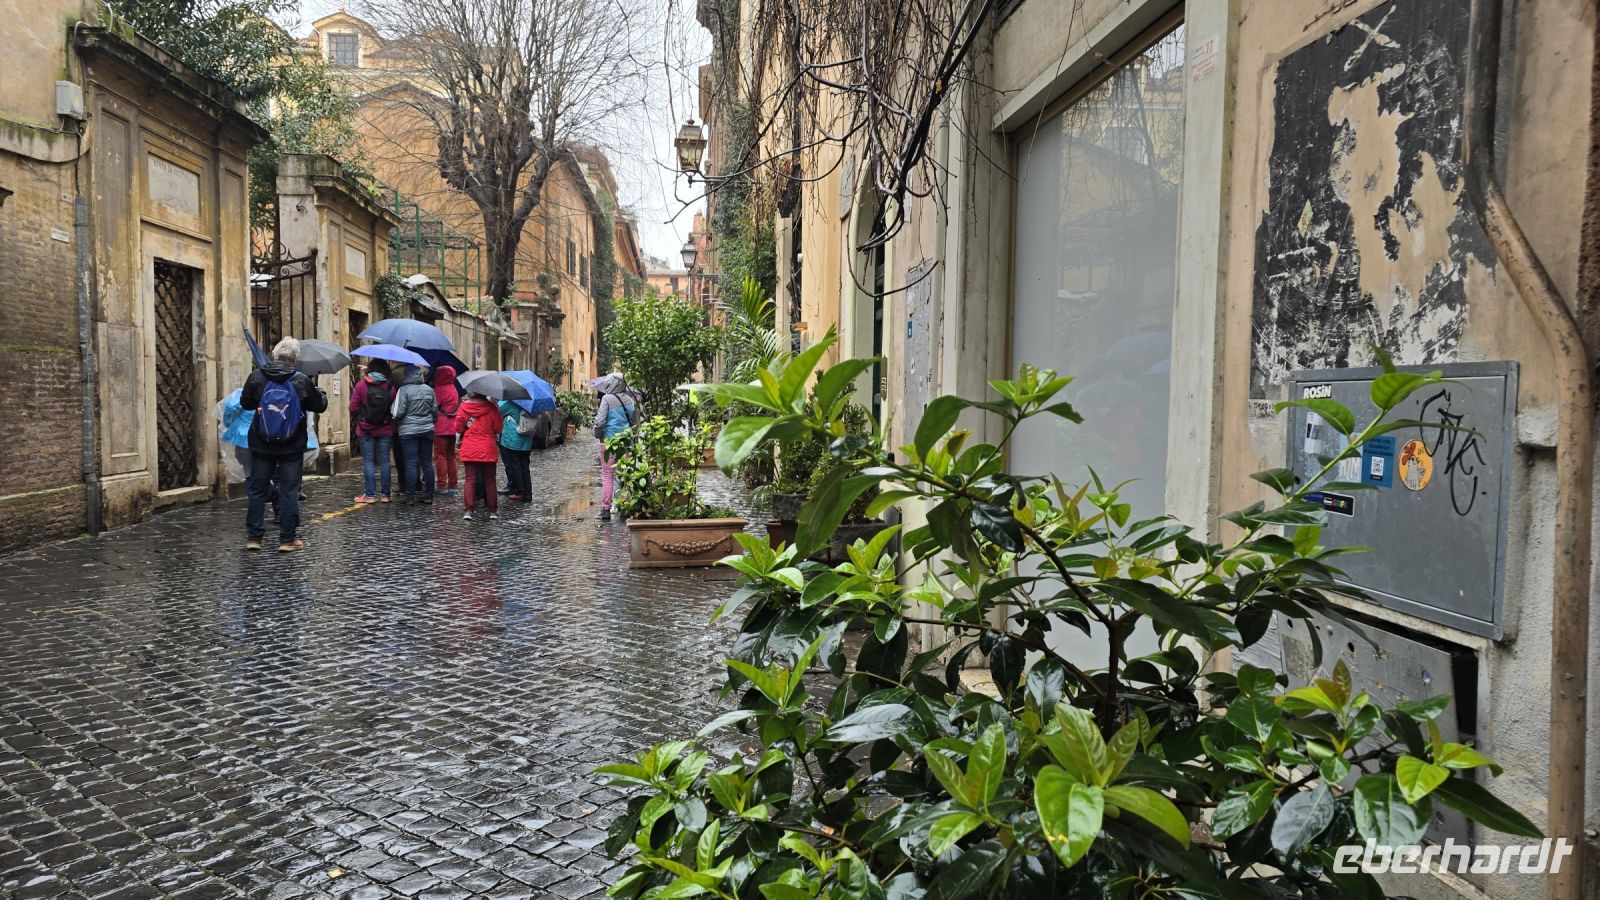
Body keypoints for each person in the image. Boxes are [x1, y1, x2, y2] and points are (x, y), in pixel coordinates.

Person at [240, 337, 327, 552]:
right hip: (292, 445)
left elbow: (245, 403)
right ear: (294, 358)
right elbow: (319, 406)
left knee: (257, 490)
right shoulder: (300, 380)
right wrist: (320, 394)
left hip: (262, 442)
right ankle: (287, 539)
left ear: (274, 355)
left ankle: (254, 538)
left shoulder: (257, 376)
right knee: (288, 491)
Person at [592, 374, 641, 521]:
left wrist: (598, 434)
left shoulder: (606, 399)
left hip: (608, 442)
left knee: (608, 476)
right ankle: (625, 507)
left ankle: (606, 510)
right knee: (624, 475)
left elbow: (600, 422)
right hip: (626, 443)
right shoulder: (630, 400)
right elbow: (635, 424)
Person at [349, 360, 395, 503]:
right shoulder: (390, 387)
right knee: (385, 461)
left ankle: (369, 495)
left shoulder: (361, 386)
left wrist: (360, 417)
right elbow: (393, 408)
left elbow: (353, 408)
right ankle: (386, 495)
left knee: (368, 461)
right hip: (385, 428)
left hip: (365, 429)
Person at [391, 365, 438, 504]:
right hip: (427, 430)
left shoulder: (403, 390)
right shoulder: (429, 390)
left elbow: (397, 412)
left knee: (411, 462)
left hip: (408, 431)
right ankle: (429, 494)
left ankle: (410, 495)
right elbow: (435, 412)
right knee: (427, 462)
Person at [456, 392, 504, 521]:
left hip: (470, 446)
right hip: (487, 447)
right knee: (490, 480)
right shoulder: (492, 407)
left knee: (470, 479)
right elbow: (499, 428)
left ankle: (468, 511)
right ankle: (493, 511)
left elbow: (459, 427)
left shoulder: (463, 407)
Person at [432, 365, 461, 493]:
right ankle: (453, 484)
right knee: (451, 456)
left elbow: (433, 406)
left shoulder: (439, 389)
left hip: (441, 426)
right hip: (452, 426)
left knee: (440, 456)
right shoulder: (454, 388)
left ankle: (442, 484)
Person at [498, 400, 534, 502]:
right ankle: (528, 493)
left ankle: (519, 491)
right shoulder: (530, 404)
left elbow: (497, 412)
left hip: (513, 440)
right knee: (524, 467)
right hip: (526, 441)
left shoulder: (510, 403)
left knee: (515, 466)